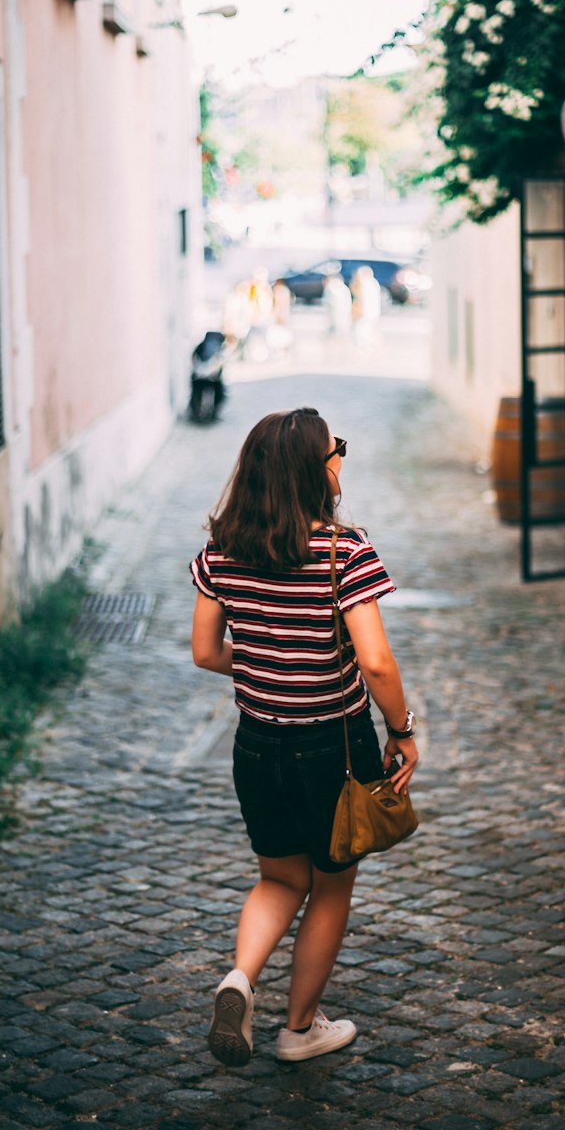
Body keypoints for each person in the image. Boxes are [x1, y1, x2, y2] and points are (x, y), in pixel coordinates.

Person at [190, 407, 419, 1066]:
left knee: (278, 878)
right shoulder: (344, 553)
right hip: (333, 749)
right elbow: (375, 661)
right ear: (315, 471)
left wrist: (261, 658)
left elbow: (206, 652)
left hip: (257, 746)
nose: (341, 458)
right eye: (335, 449)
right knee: (330, 883)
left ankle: (239, 981)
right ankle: (297, 1029)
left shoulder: (220, 553)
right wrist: (402, 731)